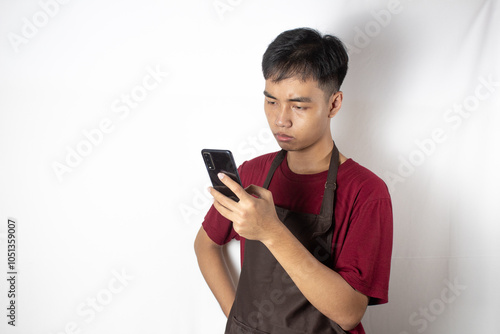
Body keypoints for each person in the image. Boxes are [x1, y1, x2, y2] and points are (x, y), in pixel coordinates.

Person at [194, 27, 393, 334]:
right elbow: (206, 245)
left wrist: (271, 231)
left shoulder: (365, 191)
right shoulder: (251, 173)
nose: (281, 119)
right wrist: (237, 318)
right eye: (271, 101)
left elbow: (349, 313)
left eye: (298, 106)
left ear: (334, 104)